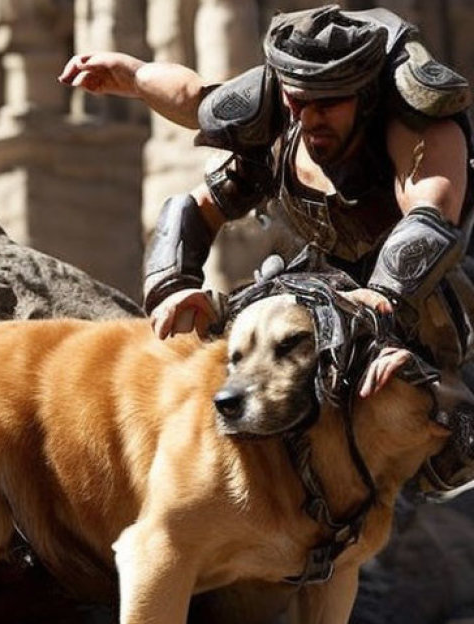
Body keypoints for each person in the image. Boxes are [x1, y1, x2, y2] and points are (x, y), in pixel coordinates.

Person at [59, 4, 474, 491]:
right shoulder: (282, 127)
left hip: (413, 297)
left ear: (364, 95)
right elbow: (197, 154)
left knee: (447, 450)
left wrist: (383, 297)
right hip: (316, 278)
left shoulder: (418, 133)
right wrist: (173, 286)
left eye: (328, 104)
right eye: (298, 101)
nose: (309, 118)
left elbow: (429, 217)